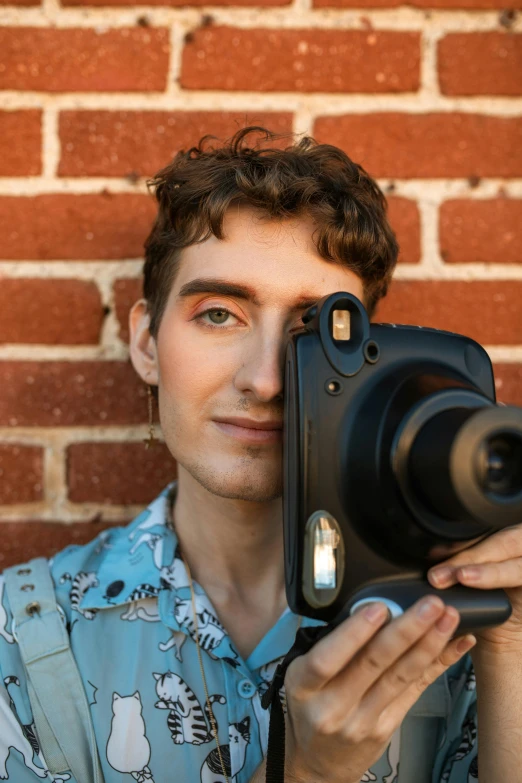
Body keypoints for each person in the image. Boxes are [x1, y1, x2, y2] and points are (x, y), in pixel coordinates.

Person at [1, 127, 520, 783]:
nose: (267, 381)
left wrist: (512, 645)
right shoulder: (20, 637)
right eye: (219, 314)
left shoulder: (462, 621)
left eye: (312, 329)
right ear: (146, 343)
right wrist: (304, 773)